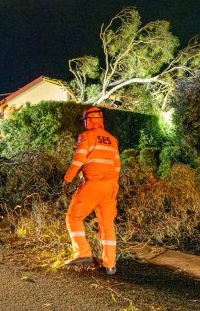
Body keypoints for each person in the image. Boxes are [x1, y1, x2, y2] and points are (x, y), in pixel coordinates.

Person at [62, 106, 121, 275]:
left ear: (88, 119)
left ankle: (82, 253)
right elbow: (117, 166)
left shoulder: (86, 136)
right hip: (110, 187)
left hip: (93, 184)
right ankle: (110, 264)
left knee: (73, 217)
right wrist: (114, 187)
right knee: (107, 225)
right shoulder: (113, 139)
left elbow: (78, 159)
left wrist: (67, 179)